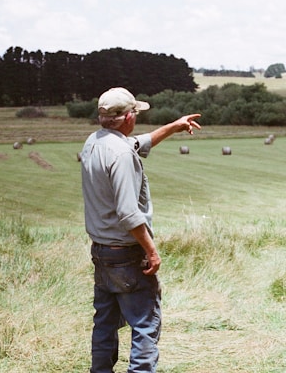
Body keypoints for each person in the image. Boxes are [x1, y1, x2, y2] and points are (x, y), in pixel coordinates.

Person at [80, 87, 201, 373]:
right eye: (135, 112)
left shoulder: (94, 142)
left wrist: (174, 127)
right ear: (127, 117)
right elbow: (128, 212)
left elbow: (139, 143)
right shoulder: (121, 154)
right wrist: (151, 250)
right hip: (126, 254)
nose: (136, 116)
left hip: (101, 251)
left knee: (105, 324)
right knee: (145, 325)